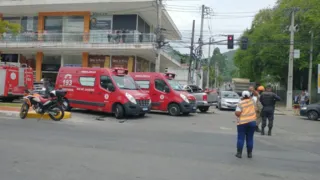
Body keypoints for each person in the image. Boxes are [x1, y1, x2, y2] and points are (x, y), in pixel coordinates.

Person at [234, 91, 257, 158]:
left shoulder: (240, 103)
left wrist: (236, 113)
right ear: (249, 96)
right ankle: (249, 154)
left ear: (242, 96)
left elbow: (238, 113)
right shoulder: (253, 101)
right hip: (252, 122)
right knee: (250, 138)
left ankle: (239, 153)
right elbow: (256, 95)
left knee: (241, 138)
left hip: (242, 123)